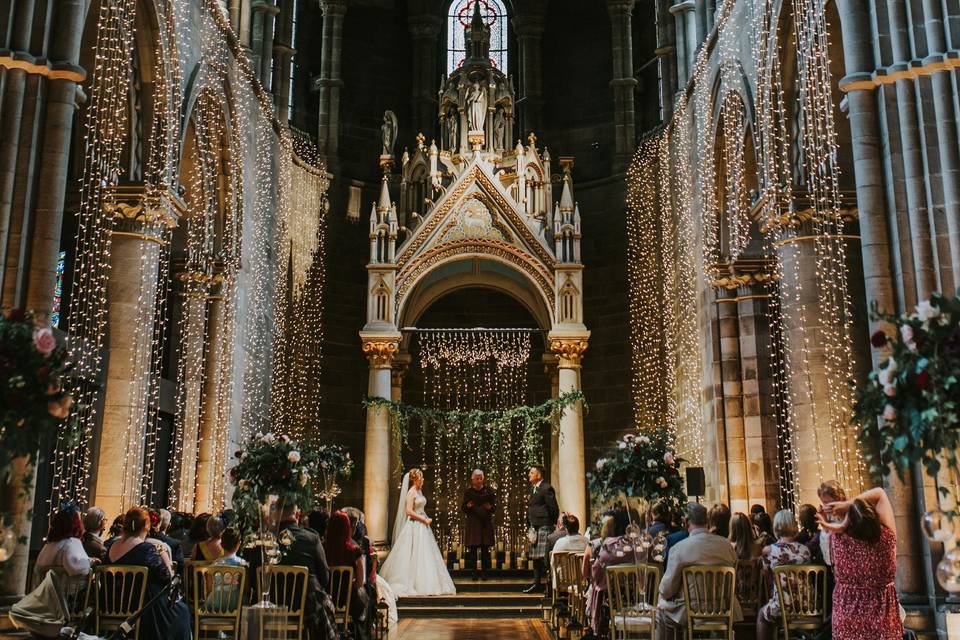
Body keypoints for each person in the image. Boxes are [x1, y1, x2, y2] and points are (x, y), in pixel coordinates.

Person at [818, 487, 903, 640]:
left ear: (849, 523)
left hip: (847, 618)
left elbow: (828, 560)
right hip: (882, 620)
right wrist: (848, 505)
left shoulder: (838, 538)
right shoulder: (888, 537)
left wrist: (842, 524)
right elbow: (880, 493)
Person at [656, 502, 741, 640]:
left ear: (685, 522)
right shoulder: (726, 546)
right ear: (707, 521)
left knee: (661, 611)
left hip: (691, 610)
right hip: (724, 607)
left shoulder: (679, 549)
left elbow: (667, 589)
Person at [105, 506, 190, 640]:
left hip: (111, 603)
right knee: (182, 611)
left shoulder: (111, 547)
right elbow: (166, 577)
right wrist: (165, 558)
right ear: (146, 525)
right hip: (139, 608)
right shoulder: (146, 549)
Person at [251, 502, 334, 639]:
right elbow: (324, 577)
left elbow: (254, 580)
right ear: (297, 515)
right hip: (305, 610)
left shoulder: (260, 541)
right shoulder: (311, 539)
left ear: (273, 516)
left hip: (268, 607)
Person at [379, 468, 456, 596]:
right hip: (414, 525)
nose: (423, 480)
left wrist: (425, 517)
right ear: (415, 479)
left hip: (422, 524)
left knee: (425, 552)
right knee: (413, 552)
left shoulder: (419, 491)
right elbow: (409, 511)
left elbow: (420, 508)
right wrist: (423, 519)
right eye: (421, 478)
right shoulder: (411, 492)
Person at [756, 510, 811, 640]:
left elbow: (768, 579)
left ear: (776, 527)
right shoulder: (805, 550)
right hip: (806, 605)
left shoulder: (769, 550)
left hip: (783, 606)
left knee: (761, 616)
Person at [584, 514, 638, 634]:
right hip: (636, 600)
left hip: (610, 602)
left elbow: (596, 576)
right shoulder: (637, 548)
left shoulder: (607, 548)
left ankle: (603, 631)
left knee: (598, 588)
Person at [34, 505, 96, 587]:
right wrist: (90, 562)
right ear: (76, 525)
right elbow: (80, 568)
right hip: (67, 595)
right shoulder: (72, 543)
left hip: (44, 593)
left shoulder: (48, 545)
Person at [524, 465, 559, 593]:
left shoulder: (546, 488)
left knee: (545, 559)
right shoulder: (533, 488)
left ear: (538, 475)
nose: (529, 475)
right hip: (535, 527)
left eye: (531, 473)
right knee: (536, 558)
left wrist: (551, 523)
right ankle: (536, 584)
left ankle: (549, 586)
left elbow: (553, 508)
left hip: (544, 526)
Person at [462, 469, 496, 580]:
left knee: (485, 549)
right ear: (472, 479)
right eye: (477, 478)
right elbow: (463, 508)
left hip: (485, 523)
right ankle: (474, 573)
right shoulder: (468, 492)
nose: (479, 480)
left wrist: (490, 508)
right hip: (473, 523)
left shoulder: (488, 491)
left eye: (481, 478)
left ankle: (485, 573)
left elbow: (494, 507)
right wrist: (468, 506)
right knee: (473, 550)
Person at [205, 527, 247, 610]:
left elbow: (209, 588)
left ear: (221, 544)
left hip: (216, 604)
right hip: (235, 604)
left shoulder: (214, 565)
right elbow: (245, 587)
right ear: (238, 544)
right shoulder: (242, 564)